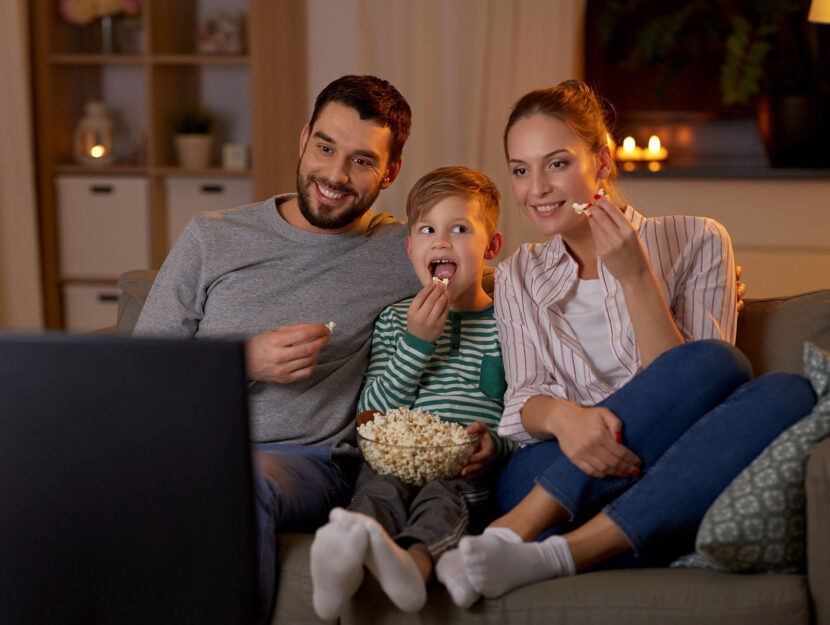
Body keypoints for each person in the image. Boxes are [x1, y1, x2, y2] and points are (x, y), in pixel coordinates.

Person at [433, 80, 817, 607]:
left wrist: (636, 278)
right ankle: (528, 529)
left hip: (663, 468)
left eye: (557, 163)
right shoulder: (520, 272)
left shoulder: (699, 240)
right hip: (546, 472)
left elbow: (699, 390)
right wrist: (570, 422)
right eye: (521, 169)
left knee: (783, 391)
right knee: (713, 376)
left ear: (603, 161)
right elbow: (522, 401)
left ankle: (545, 552)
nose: (537, 188)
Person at [133, 75, 422, 622]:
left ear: (391, 171)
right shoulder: (211, 237)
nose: (334, 176)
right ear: (303, 139)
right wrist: (243, 362)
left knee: (240, 485)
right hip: (187, 449)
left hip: (305, 464)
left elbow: (503, 284)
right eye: (325, 148)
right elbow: (140, 375)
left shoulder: (404, 250)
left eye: (362, 161)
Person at [309, 166, 513, 619]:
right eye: (427, 230)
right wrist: (417, 343)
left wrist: (494, 446)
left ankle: (412, 566)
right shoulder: (394, 321)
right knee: (377, 491)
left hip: (462, 468)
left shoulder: (510, 326)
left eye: (459, 229)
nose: (441, 241)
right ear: (410, 249)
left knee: (445, 500)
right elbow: (371, 416)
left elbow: (520, 415)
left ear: (491, 248)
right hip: (395, 456)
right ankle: (342, 560)